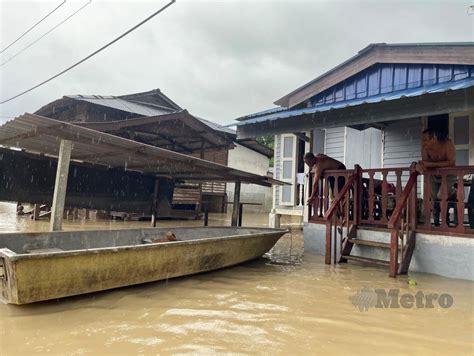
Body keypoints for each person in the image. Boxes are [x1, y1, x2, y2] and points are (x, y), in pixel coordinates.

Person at [415, 128, 456, 226]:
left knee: (441, 195)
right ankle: (437, 223)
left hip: (448, 176)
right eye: (422, 140)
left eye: (425, 140)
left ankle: (445, 222)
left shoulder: (447, 144)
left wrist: (429, 164)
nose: (423, 143)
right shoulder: (424, 148)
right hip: (434, 176)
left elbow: (451, 162)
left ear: (433, 138)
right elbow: (425, 164)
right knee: (434, 199)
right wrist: (420, 166)